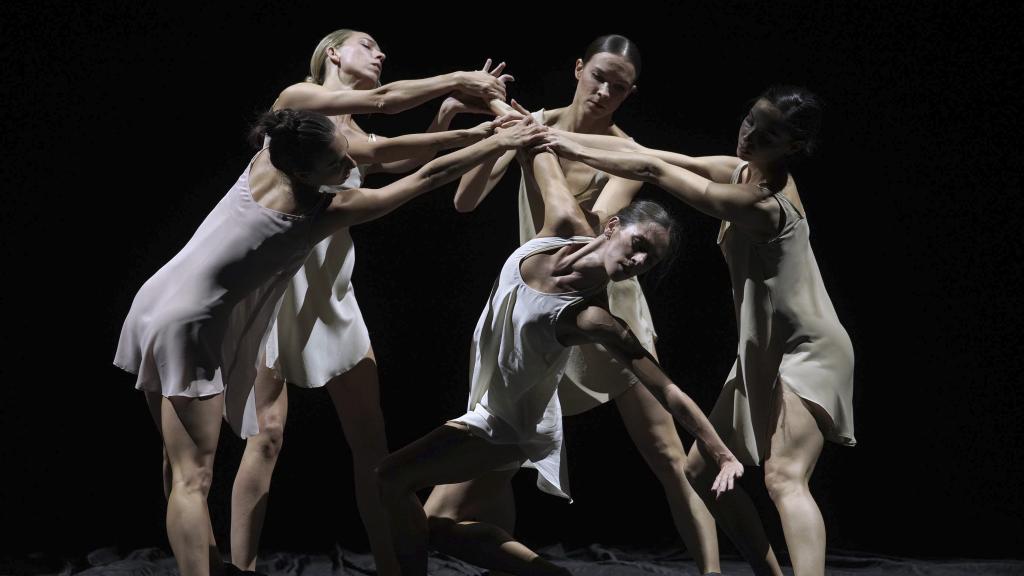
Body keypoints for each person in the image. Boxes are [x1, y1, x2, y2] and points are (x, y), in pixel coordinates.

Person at [114, 107, 546, 576]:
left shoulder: (266, 157)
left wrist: (475, 128)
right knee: (193, 478)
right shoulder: (320, 213)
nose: (349, 169)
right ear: (302, 170)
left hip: (154, 301)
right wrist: (501, 144)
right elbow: (427, 178)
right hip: (189, 328)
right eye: (337, 165)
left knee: (176, 466)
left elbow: (380, 149)